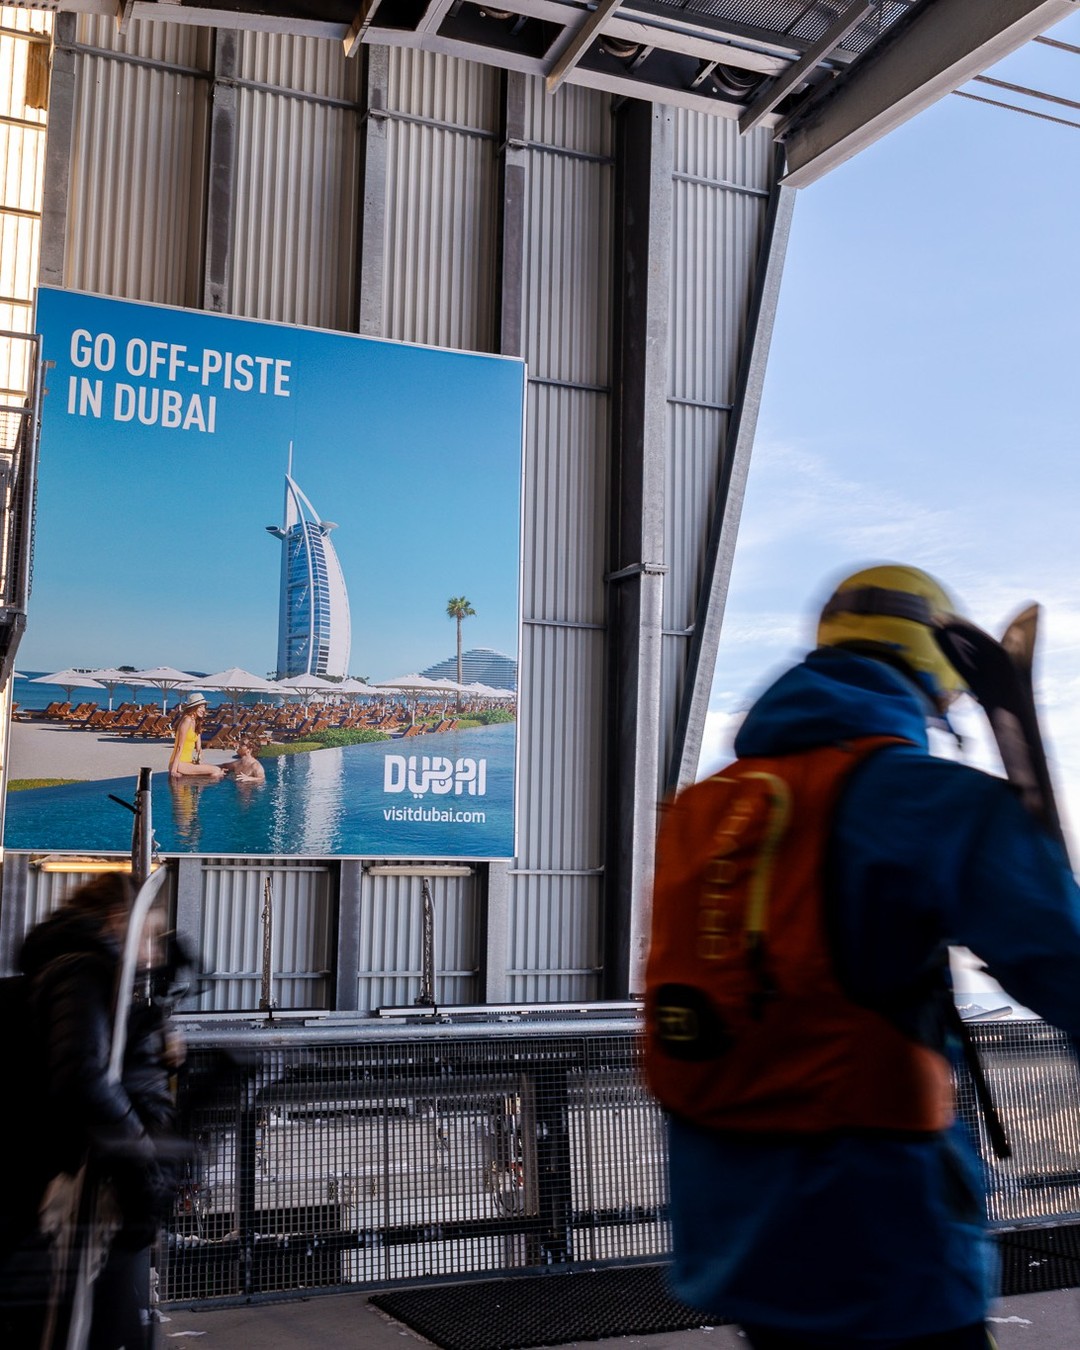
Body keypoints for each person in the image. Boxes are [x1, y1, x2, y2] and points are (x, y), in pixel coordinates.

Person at [645, 563, 1080, 1350]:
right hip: (885, 1239)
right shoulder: (927, 801)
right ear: (938, 672)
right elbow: (1067, 963)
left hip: (735, 1230)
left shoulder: (707, 810)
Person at [1, 874, 181, 1349]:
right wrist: (142, 1168)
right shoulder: (84, 969)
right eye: (148, 936)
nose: (154, 953)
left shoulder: (68, 968)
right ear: (119, 921)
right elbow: (84, 1076)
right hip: (60, 1191)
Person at [167, 691, 223, 782]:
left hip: (188, 762)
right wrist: (173, 770)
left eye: (204, 707)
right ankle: (199, 790)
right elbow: (179, 746)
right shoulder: (187, 720)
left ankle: (198, 793)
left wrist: (200, 761)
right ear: (193, 708)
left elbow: (198, 748)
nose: (203, 709)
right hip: (179, 763)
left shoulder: (196, 722)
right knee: (216, 770)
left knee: (218, 772)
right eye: (200, 707)